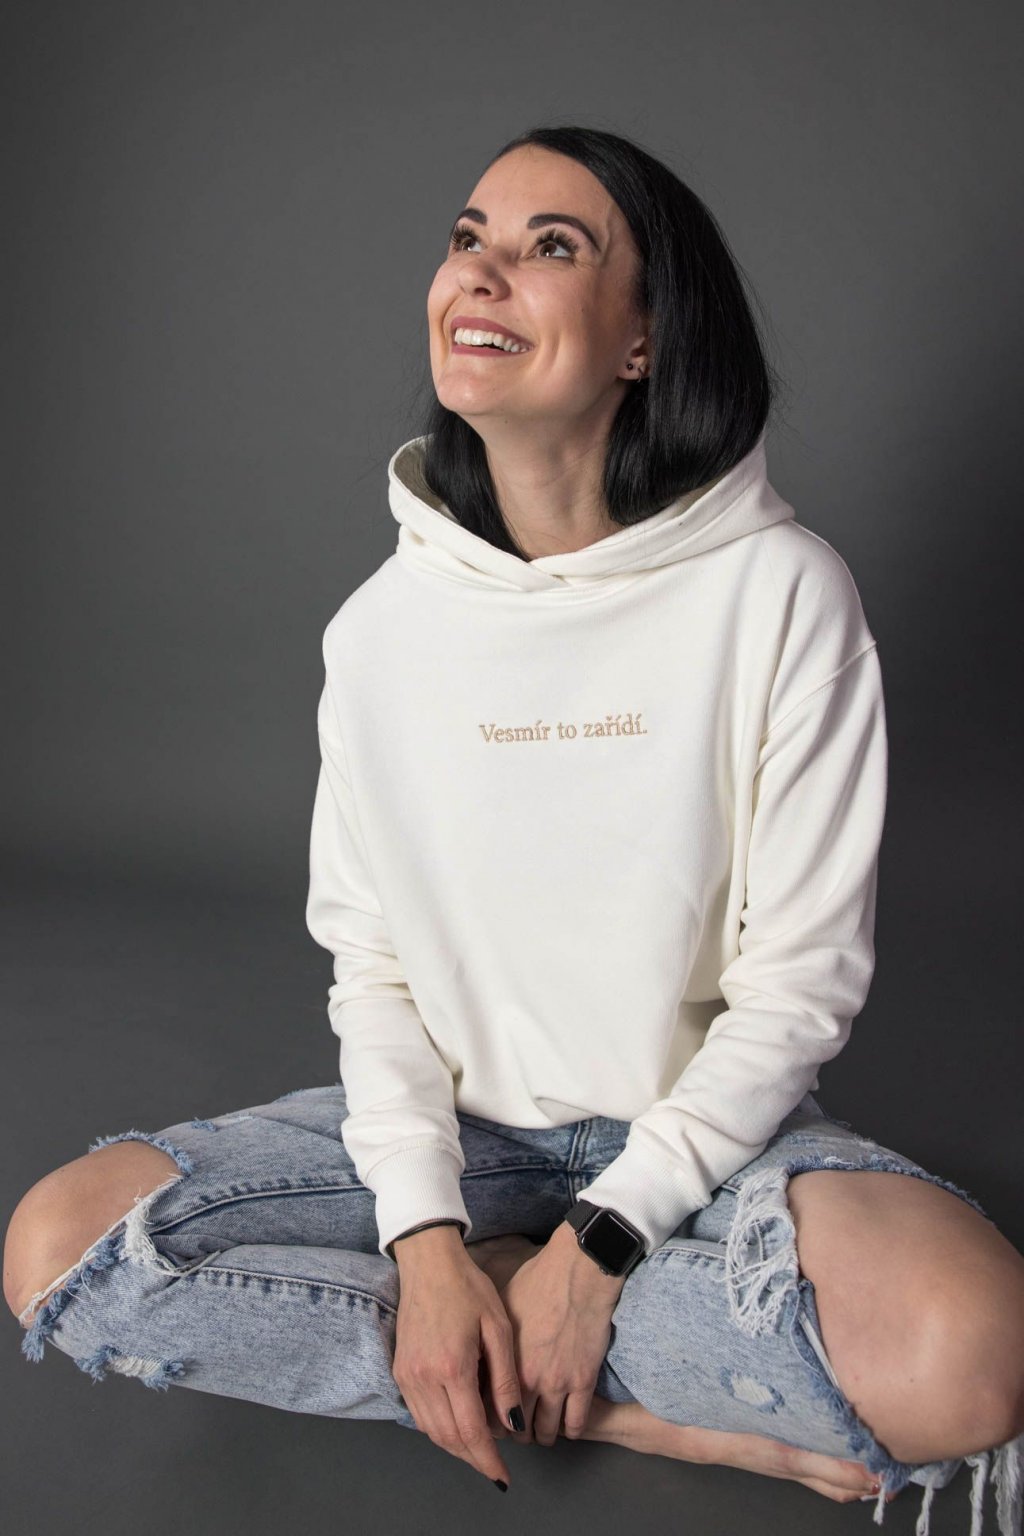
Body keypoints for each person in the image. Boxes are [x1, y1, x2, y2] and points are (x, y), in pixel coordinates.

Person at [5, 125, 1023, 1536]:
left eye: (552, 248)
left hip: (703, 1145)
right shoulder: (380, 631)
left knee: (971, 1353)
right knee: (61, 1247)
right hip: (461, 1142)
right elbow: (373, 970)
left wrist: (600, 1245)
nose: (480, 274)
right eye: (469, 237)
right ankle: (637, 1405)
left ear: (643, 341)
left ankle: (527, 1336)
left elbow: (799, 988)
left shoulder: (781, 595)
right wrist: (428, 1243)